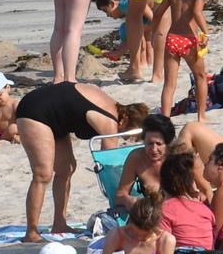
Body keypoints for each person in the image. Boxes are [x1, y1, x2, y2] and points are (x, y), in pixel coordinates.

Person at [15, 84, 150, 241]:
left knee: (66, 169)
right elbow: (108, 164)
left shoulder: (115, 108)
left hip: (56, 116)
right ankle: (31, 232)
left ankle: (59, 223)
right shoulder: (110, 122)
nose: (126, 138)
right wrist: (123, 195)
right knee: (42, 174)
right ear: (125, 119)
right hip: (34, 110)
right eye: (128, 133)